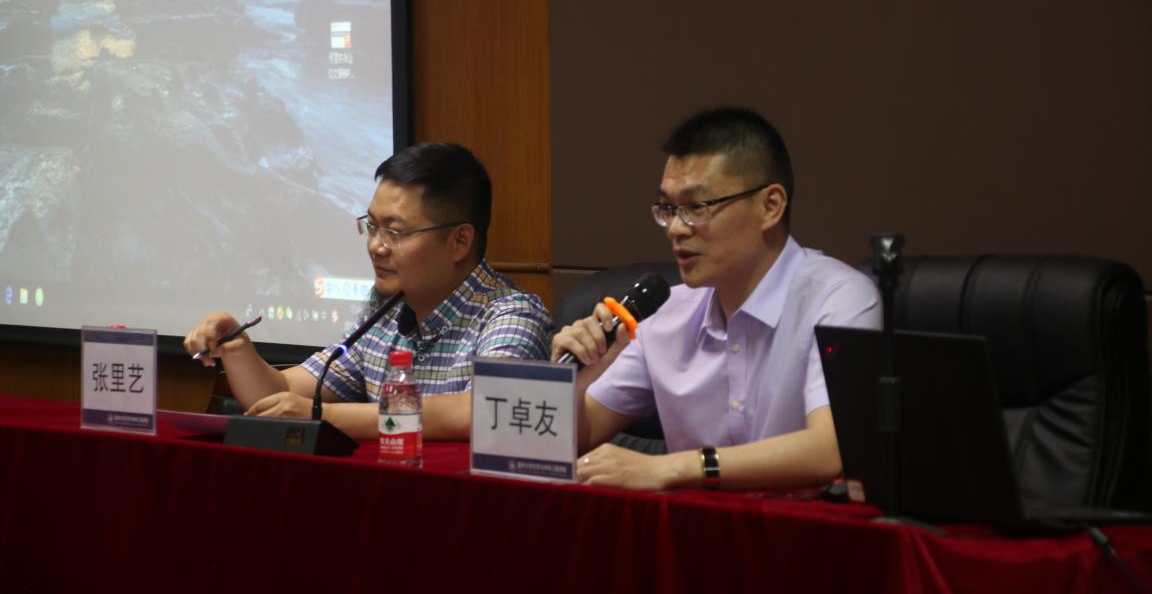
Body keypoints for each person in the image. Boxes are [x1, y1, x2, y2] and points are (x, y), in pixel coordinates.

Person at [550, 107, 880, 491]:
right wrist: (573, 383)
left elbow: (830, 449)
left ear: (770, 206)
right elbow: (579, 436)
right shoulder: (665, 313)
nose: (675, 229)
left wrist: (673, 468)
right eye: (668, 209)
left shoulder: (840, 299)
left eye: (696, 207)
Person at [185, 142, 552, 440]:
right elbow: (281, 393)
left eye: (395, 232)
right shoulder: (385, 314)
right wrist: (238, 350)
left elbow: (487, 410)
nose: (376, 246)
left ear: (459, 241)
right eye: (372, 227)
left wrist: (323, 416)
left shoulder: (511, 315)